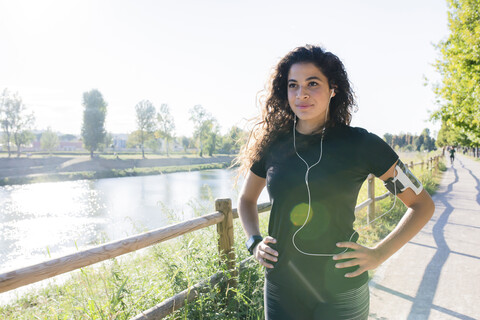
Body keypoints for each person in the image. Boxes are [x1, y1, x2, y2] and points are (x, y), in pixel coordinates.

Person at [235, 45, 435, 319]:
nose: (301, 93)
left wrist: (378, 254)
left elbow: (421, 204)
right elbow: (246, 200)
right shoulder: (273, 145)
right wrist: (254, 242)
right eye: (293, 85)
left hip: (341, 291)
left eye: (312, 84)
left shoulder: (363, 145)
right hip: (282, 287)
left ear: (333, 89)